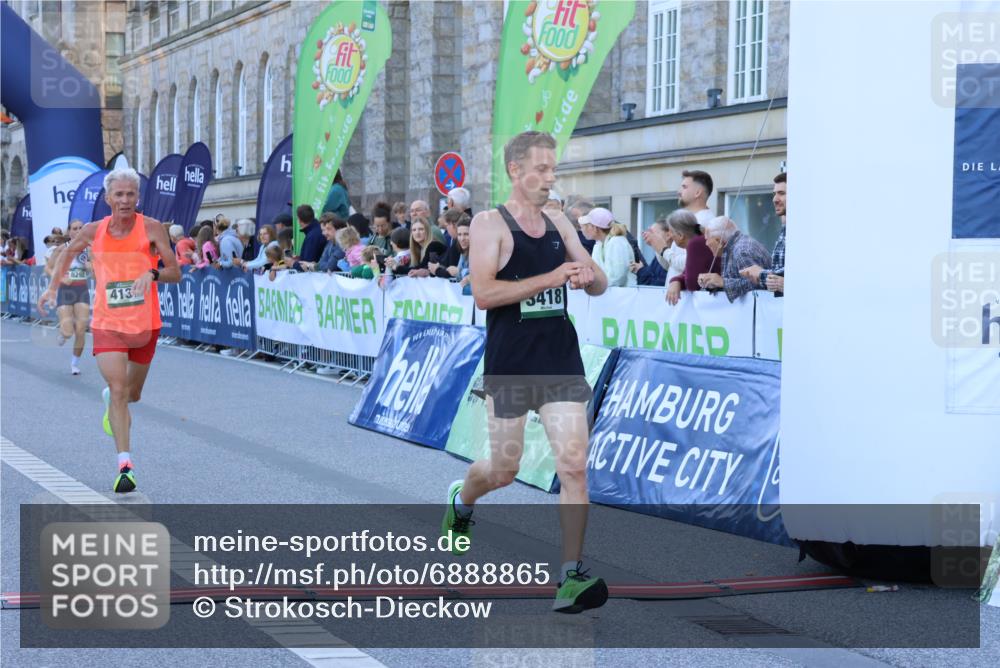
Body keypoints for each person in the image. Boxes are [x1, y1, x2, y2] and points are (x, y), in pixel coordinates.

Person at [442, 131, 609, 614]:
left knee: (574, 467)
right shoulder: (490, 223)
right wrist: (551, 277)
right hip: (512, 362)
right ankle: (462, 500)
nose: (549, 177)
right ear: (516, 171)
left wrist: (584, 275)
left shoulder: (560, 219)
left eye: (553, 169)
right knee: (504, 470)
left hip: (559, 357)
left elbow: (596, 282)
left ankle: (571, 576)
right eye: (541, 169)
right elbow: (484, 295)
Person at [37, 167, 180, 493]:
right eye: (119, 194)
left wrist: (154, 275)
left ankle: (113, 402)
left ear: (137, 197)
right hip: (108, 323)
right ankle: (125, 466)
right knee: (118, 391)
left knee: (133, 394)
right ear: (108, 198)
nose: (125, 199)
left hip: (146, 324)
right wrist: (51, 289)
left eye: (131, 194)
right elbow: (65, 255)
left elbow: (175, 271)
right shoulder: (93, 230)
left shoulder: (152, 228)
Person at [45, 220, 91, 375]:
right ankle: (63, 334)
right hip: (65, 291)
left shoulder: (89, 249)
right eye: (75, 228)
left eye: (80, 228)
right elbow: (48, 268)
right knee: (68, 331)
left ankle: (74, 363)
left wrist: (90, 266)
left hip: (82, 291)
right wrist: (61, 278)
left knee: (81, 330)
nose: (78, 231)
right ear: (69, 231)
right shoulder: (61, 249)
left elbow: (96, 269)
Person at [698, 216, 771, 302]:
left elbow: (757, 284)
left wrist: (723, 282)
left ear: (719, 241)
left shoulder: (741, 251)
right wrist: (714, 284)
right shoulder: (734, 247)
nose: (706, 244)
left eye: (707, 239)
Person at [741, 172, 786, 295]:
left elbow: (796, 275)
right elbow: (779, 275)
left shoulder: (805, 231)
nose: (775, 199)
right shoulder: (785, 229)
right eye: (774, 194)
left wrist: (759, 273)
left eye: (782, 193)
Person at [664, 210, 715, 305]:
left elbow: (692, 284)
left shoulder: (695, 244)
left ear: (680, 235)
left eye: (671, 232)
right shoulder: (699, 241)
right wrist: (676, 280)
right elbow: (687, 273)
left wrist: (677, 281)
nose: (670, 236)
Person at [579, 207, 637, 288]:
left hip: (623, 296)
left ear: (595, 228)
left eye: (586, 226)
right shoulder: (598, 245)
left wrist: (595, 284)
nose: (582, 229)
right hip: (608, 295)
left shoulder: (617, 242)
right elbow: (596, 274)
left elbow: (618, 277)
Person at [640, 217, 685, 284]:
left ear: (668, 235)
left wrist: (640, 270)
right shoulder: (658, 256)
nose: (650, 236)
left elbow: (658, 282)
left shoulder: (680, 251)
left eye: (653, 233)